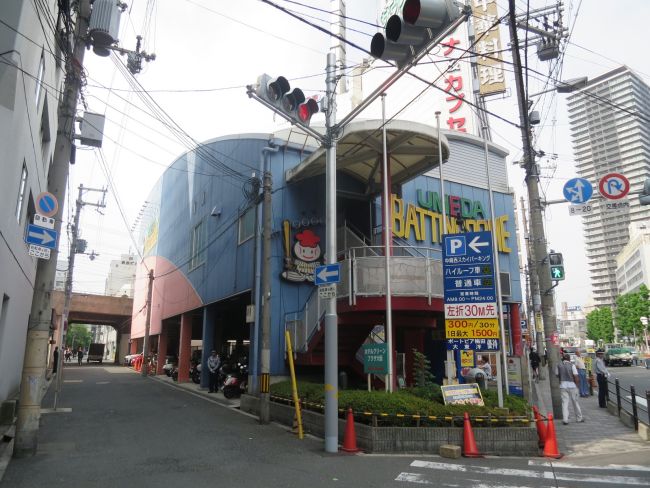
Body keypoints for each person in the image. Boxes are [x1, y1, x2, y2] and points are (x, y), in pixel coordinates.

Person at [556, 353, 584, 424]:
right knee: (575, 402)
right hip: (572, 385)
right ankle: (579, 418)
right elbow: (576, 376)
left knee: (564, 403)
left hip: (563, 385)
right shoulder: (572, 365)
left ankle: (565, 419)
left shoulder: (559, 365)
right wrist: (577, 385)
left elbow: (557, 375)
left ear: (563, 359)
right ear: (569, 359)